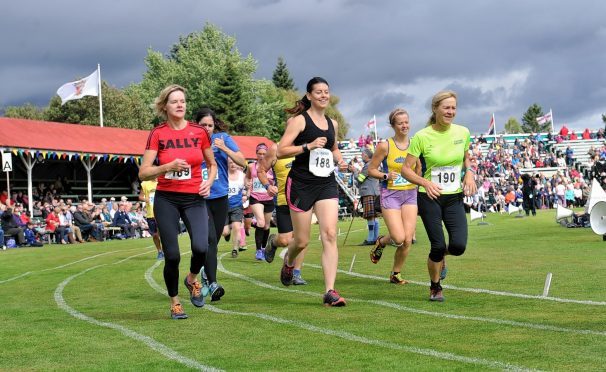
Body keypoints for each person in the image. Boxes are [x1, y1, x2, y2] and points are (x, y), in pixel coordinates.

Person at [138, 84, 216, 320]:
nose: (180, 105)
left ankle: (192, 279)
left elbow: (211, 164)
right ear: (165, 106)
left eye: (183, 101)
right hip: (167, 199)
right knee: (172, 255)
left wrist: (209, 182)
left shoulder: (198, 132)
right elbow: (144, 173)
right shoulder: (158, 134)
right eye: (175, 101)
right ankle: (175, 302)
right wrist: (167, 167)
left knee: (201, 247)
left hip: (194, 198)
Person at [277, 77, 348, 306]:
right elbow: (280, 151)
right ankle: (289, 260)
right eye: (318, 92)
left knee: (329, 234)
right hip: (301, 184)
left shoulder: (332, 124)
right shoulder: (298, 121)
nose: (323, 95)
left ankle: (330, 291)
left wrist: (340, 160)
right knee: (302, 241)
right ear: (309, 96)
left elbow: (333, 147)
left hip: (325, 183)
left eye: (326, 91)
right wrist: (307, 146)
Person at [401, 90, 476, 302]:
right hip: (429, 197)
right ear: (435, 109)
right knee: (437, 246)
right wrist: (425, 182)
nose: (450, 111)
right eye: (446, 107)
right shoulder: (422, 137)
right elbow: (406, 169)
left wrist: (469, 173)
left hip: (454, 197)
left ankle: (442, 258)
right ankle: (435, 286)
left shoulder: (463, 132)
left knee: (458, 247)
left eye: (453, 108)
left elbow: (465, 157)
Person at [195, 107, 246, 301]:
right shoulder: (191, 141)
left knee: (213, 242)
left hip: (220, 197)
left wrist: (223, 148)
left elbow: (242, 161)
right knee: (208, 241)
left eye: (210, 125)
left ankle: (205, 275)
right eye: (203, 125)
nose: (207, 128)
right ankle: (213, 282)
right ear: (196, 124)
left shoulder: (223, 138)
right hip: (200, 198)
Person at [367, 108, 421, 285]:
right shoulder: (385, 146)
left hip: (410, 193)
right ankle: (381, 242)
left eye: (406, 122)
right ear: (393, 126)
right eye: (400, 123)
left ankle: (395, 274)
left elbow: (418, 168)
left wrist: (418, 181)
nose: (404, 125)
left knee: (408, 239)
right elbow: (371, 169)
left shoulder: (415, 144)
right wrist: (385, 175)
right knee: (398, 238)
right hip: (391, 194)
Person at [259, 137, 308, 285]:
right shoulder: (276, 149)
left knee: (301, 240)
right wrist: (268, 186)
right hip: (283, 200)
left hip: (303, 200)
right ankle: (273, 242)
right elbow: (261, 170)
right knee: (285, 240)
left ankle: (295, 272)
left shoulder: (306, 146)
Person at [245, 143, 275, 261]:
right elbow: (247, 177)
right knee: (261, 223)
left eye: (264, 154)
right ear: (256, 154)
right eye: (259, 153)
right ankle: (258, 250)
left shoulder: (272, 167)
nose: (261, 156)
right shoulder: (251, 166)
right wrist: (247, 183)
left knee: (266, 226)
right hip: (255, 197)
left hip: (268, 198)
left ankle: (263, 248)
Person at [351, 148, 381, 245]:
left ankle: (370, 239)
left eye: (362, 155)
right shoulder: (374, 164)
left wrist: (355, 171)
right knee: (374, 216)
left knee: (370, 217)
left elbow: (360, 179)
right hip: (374, 192)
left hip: (369, 193)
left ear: (366, 155)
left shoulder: (368, 166)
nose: (361, 157)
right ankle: (375, 238)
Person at [223, 157, 246, 258]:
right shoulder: (223, 175)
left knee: (237, 227)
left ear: (237, 164)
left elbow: (248, 187)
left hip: (237, 206)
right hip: (223, 206)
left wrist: (246, 195)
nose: (232, 164)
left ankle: (235, 249)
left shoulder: (242, 176)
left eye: (234, 162)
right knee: (225, 232)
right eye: (230, 163)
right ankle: (227, 234)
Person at [139, 177, 163, 259]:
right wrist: (146, 199)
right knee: (155, 235)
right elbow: (140, 196)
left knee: (163, 234)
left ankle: (165, 250)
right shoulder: (145, 184)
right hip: (150, 214)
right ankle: (159, 251)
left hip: (161, 213)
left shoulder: (162, 182)